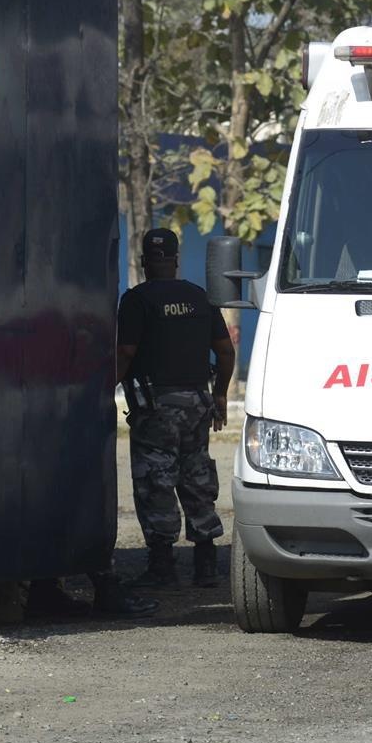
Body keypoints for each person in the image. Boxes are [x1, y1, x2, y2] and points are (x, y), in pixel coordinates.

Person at [116, 228, 236, 589]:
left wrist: (100, 388)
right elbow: (225, 351)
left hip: (156, 408)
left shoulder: (137, 300)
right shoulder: (200, 297)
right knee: (196, 475)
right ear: (176, 260)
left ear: (144, 262)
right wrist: (219, 395)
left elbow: (125, 353)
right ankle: (206, 564)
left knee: (156, 480)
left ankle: (162, 566)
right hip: (197, 404)